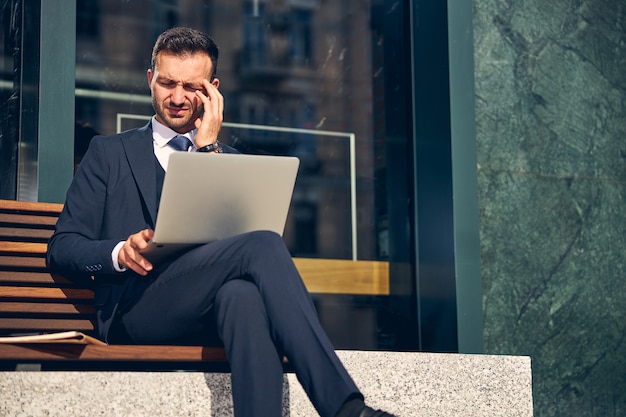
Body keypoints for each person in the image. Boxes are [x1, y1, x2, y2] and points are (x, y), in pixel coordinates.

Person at [47, 27, 396, 417]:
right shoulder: (109, 153)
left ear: (212, 91)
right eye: (166, 83)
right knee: (262, 243)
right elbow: (62, 247)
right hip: (137, 311)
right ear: (150, 80)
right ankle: (346, 410)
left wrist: (207, 150)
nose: (177, 98)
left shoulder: (226, 159)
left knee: (241, 296)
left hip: (210, 311)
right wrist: (118, 252)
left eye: (191, 87)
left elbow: (237, 254)